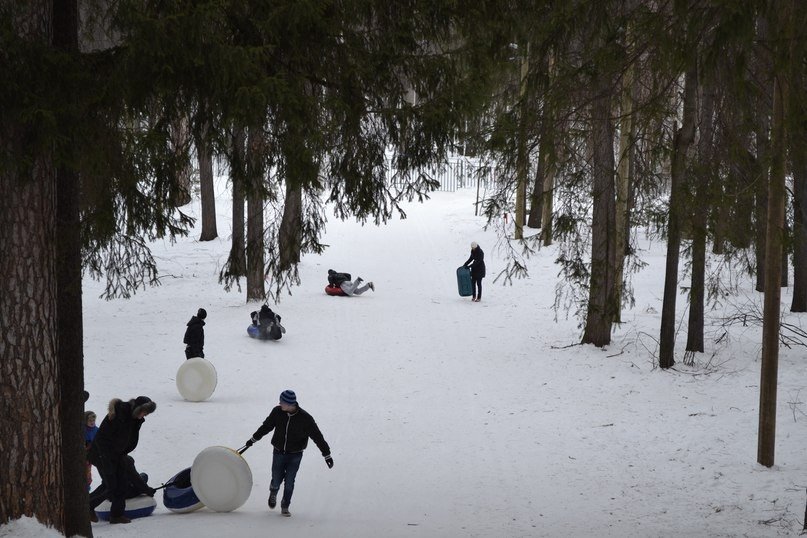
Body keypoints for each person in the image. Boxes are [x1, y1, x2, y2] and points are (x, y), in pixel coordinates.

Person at [245, 390, 333, 517]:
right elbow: (266, 427)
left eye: (282, 402)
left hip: (295, 455)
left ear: (290, 404)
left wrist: (327, 454)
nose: (279, 403)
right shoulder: (277, 412)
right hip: (278, 452)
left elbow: (317, 436)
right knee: (276, 479)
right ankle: (273, 491)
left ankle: (285, 505)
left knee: (290, 481)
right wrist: (252, 440)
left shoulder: (305, 418)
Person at [88, 396, 157, 524]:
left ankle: (116, 515)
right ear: (137, 409)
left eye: (146, 413)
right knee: (110, 485)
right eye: (144, 412)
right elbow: (102, 441)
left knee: (122, 485)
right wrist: (107, 463)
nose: (144, 416)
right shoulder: (119, 416)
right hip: (101, 454)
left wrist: (146, 489)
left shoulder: (135, 420)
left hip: (118, 455)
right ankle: (86, 508)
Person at [85, 411, 99, 491]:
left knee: (88, 473)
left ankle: (87, 489)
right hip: (84, 455)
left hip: (92, 455)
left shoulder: (96, 430)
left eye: (93, 420)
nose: (92, 422)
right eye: (90, 421)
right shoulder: (83, 430)